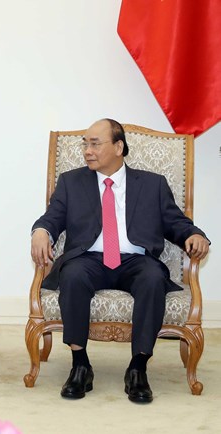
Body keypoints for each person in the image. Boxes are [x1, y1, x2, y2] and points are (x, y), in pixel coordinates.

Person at [30, 118, 209, 403]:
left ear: (118, 147)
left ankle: (138, 368)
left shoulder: (153, 184)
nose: (87, 150)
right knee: (72, 275)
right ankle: (80, 364)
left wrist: (195, 235)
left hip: (135, 261)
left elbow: (176, 222)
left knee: (153, 279)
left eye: (95, 143)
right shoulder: (71, 182)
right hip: (89, 259)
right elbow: (52, 217)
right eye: (85, 144)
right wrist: (41, 231)